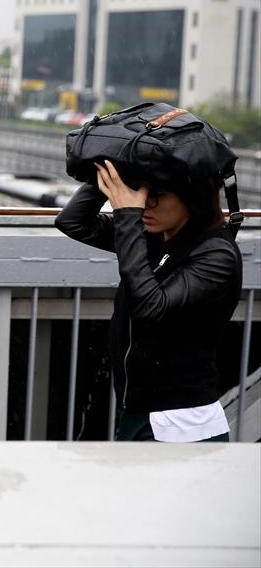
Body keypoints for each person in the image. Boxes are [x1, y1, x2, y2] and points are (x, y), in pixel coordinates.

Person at [55, 159, 242, 442]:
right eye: (141, 192)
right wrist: (111, 169)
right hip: (141, 413)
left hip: (181, 425)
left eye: (158, 194)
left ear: (193, 197)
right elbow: (73, 222)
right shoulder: (156, 238)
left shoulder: (216, 255)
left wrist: (129, 213)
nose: (146, 203)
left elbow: (150, 308)